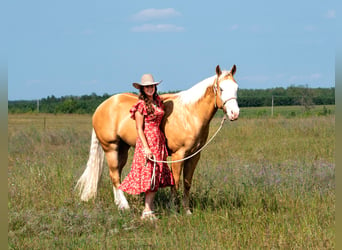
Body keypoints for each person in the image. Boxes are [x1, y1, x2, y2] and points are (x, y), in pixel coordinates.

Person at [119, 73, 174, 220]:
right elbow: (139, 128)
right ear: (142, 89)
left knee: (156, 175)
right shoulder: (140, 105)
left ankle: (150, 208)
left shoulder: (157, 102)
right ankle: (147, 210)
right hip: (147, 140)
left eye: (152, 86)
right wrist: (146, 148)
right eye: (147, 87)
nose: (150, 89)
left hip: (158, 139)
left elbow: (168, 98)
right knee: (149, 174)